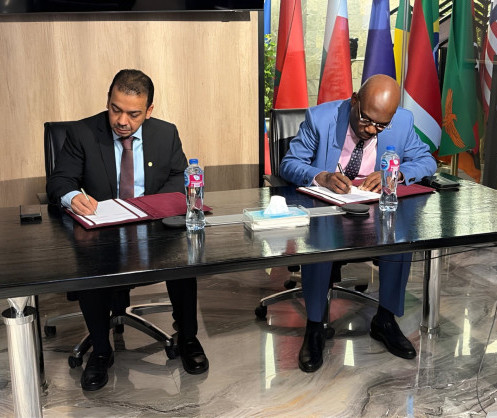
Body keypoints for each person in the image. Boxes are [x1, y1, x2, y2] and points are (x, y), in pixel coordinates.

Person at [47, 69, 209, 391]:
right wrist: (72, 195)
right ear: (108, 102)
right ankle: (100, 350)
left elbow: (178, 177)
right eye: (115, 109)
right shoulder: (82, 133)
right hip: (102, 234)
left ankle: (188, 337)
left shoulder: (165, 133)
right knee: (89, 261)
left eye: (133, 114)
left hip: (152, 229)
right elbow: (59, 181)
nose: (122, 121)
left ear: (149, 111)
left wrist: (148, 206)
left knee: (183, 257)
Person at [280, 74, 437, 373]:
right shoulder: (320, 118)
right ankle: (315, 325)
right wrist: (321, 176)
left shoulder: (402, 122)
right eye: (366, 120)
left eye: (381, 125)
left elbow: (426, 161)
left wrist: (397, 173)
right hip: (329, 208)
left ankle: (385, 320)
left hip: (374, 210)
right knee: (319, 240)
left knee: (400, 238)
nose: (371, 129)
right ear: (354, 100)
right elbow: (289, 163)